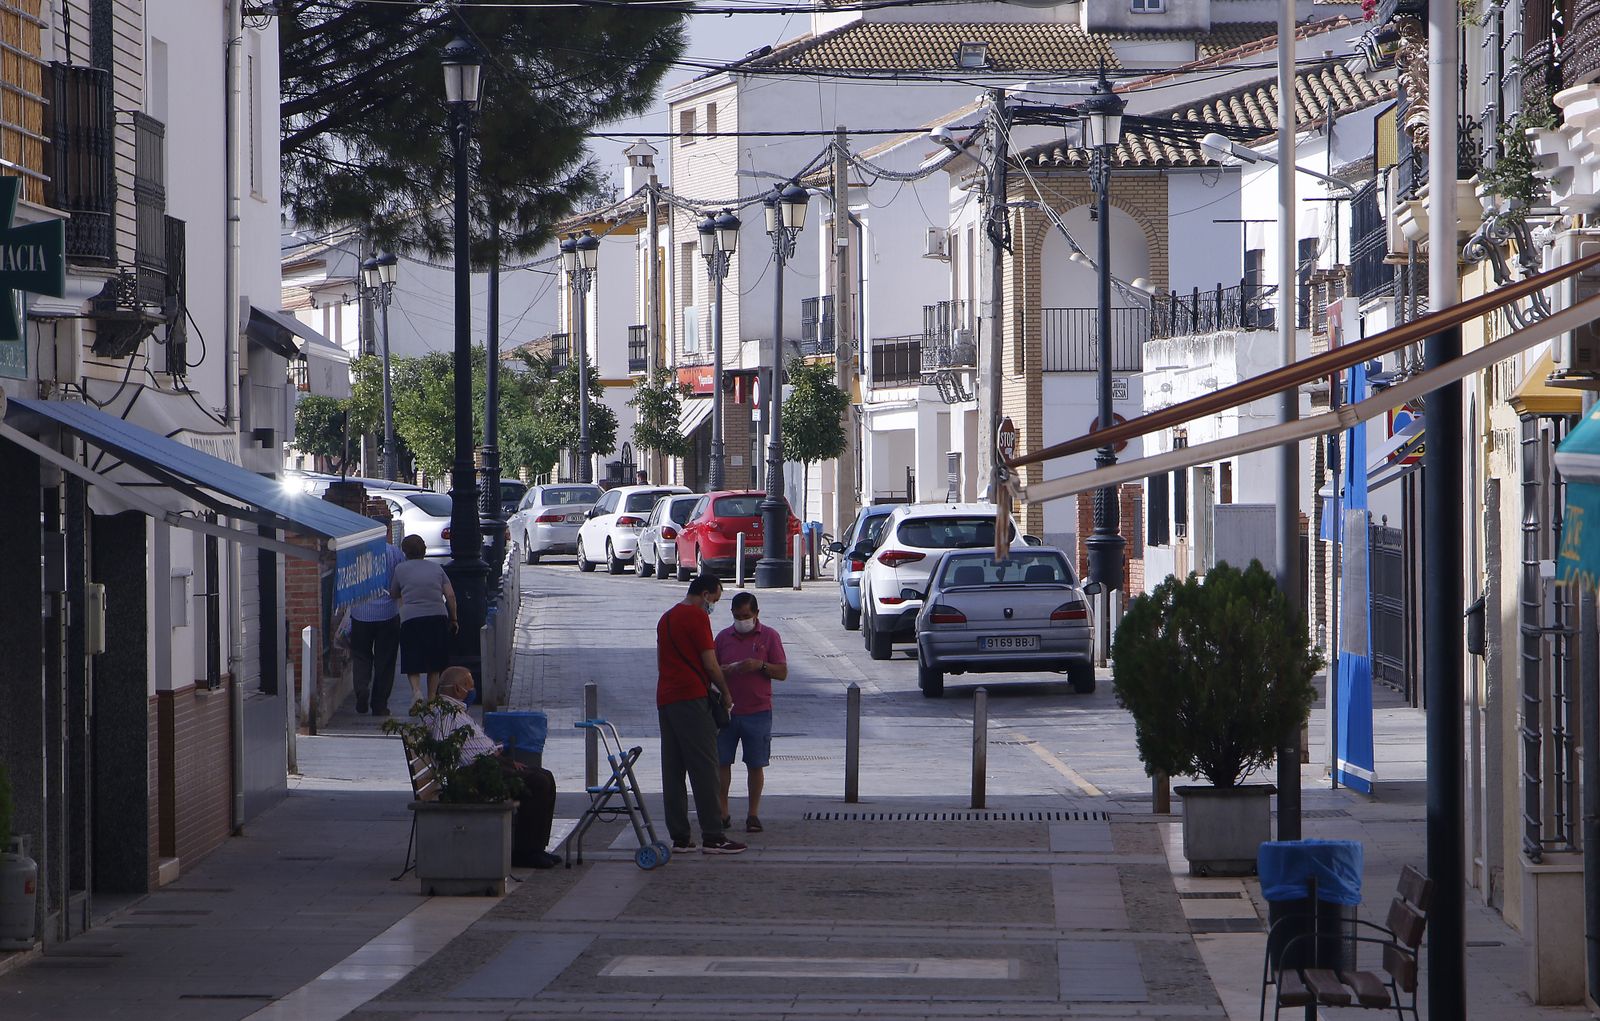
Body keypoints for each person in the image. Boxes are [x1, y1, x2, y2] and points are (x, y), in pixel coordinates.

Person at [429, 666, 560, 869]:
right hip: (474, 773)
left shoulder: (456, 710)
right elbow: (442, 749)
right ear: (457, 689)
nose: (473, 690)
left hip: (488, 765)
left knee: (545, 776)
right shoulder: (446, 714)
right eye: (469, 685)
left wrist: (502, 760)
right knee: (537, 783)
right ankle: (526, 852)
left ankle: (536, 847)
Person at [656, 575, 747, 855]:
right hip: (692, 698)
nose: (713, 607)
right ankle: (713, 834)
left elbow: (664, 660)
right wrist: (726, 692)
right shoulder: (696, 618)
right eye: (715, 600)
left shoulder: (666, 618)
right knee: (706, 768)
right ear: (705, 594)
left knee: (673, 770)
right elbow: (710, 663)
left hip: (666, 698)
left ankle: (680, 837)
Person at [715, 592, 788, 833]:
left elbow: (782, 672)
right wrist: (724, 671)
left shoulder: (769, 636)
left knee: (755, 764)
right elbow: (711, 670)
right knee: (721, 762)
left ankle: (752, 813)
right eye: (737, 616)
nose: (742, 620)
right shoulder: (723, 638)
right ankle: (722, 811)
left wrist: (760, 666)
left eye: (746, 616)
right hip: (726, 711)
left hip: (758, 711)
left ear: (756, 613)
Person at [349, 500, 406, 716]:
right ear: (386, 531)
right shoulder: (393, 553)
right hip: (388, 614)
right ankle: (379, 703)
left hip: (360, 613)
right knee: (386, 660)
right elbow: (399, 580)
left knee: (361, 657)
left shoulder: (357, 553)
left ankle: (361, 691)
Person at [390, 534, 457, 707]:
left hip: (411, 618)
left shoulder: (400, 569)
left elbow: (394, 593)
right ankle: (432, 697)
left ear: (405, 552)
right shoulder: (437, 569)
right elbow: (449, 595)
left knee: (413, 658)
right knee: (434, 662)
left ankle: (416, 691)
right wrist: (454, 618)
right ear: (424, 550)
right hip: (437, 616)